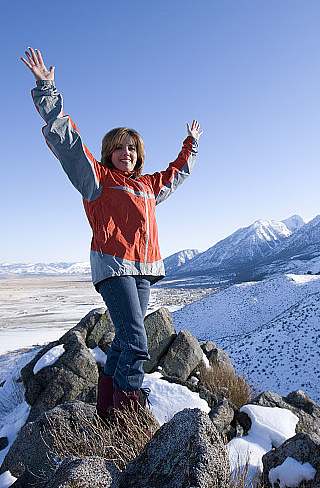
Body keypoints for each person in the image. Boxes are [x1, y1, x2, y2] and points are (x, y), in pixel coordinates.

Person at [21, 47, 202, 420]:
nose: (126, 153)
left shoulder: (148, 186)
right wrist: (47, 90)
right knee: (138, 344)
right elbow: (69, 144)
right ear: (108, 152)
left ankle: (106, 410)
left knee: (122, 342)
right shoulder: (98, 180)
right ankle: (128, 422)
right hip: (113, 267)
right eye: (119, 148)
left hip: (144, 270)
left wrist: (191, 145)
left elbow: (176, 173)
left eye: (132, 148)